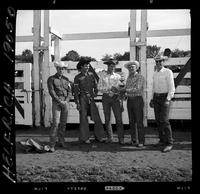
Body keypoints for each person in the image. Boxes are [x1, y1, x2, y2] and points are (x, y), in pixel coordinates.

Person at [73, 58, 106, 144]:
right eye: (86, 65)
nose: (87, 67)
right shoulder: (77, 77)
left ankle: (100, 137)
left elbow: (96, 86)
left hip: (91, 99)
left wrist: (95, 93)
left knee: (97, 117)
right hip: (82, 98)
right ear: (81, 67)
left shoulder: (91, 75)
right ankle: (85, 138)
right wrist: (77, 102)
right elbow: (76, 92)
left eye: (88, 65)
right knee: (83, 119)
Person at [149, 54, 175, 152]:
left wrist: (168, 99)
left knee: (164, 120)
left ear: (163, 62)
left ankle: (169, 143)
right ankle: (162, 140)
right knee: (158, 120)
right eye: (157, 61)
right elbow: (153, 87)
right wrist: (152, 98)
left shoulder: (168, 72)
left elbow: (171, 87)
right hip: (156, 97)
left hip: (165, 97)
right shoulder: (155, 73)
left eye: (160, 61)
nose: (159, 63)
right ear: (155, 62)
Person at [98, 59, 125, 144]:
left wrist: (117, 91)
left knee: (119, 119)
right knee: (107, 119)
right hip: (106, 98)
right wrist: (109, 89)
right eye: (111, 66)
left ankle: (121, 138)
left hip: (116, 98)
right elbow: (99, 87)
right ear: (108, 66)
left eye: (114, 66)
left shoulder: (118, 76)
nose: (112, 67)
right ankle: (110, 137)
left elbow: (122, 88)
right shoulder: (102, 76)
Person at [47, 61, 72, 152]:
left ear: (64, 69)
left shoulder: (66, 79)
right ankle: (52, 144)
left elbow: (70, 91)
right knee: (56, 123)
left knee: (63, 123)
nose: (61, 70)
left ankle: (61, 141)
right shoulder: (51, 79)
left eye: (62, 68)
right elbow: (51, 91)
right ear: (56, 68)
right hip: (57, 103)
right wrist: (60, 101)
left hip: (65, 103)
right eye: (59, 68)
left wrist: (66, 101)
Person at [123, 61, 145, 147]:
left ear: (136, 68)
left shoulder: (140, 77)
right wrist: (124, 94)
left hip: (137, 100)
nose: (131, 68)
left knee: (139, 121)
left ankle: (141, 141)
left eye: (132, 67)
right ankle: (134, 140)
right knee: (131, 121)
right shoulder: (128, 77)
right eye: (129, 67)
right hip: (130, 100)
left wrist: (125, 91)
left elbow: (138, 89)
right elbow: (128, 89)